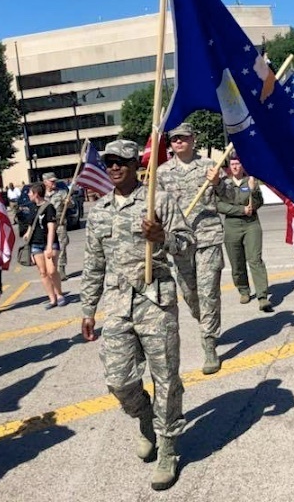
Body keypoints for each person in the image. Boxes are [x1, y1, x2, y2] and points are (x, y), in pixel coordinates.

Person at [81, 140, 194, 491]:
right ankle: (145, 417)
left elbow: (187, 243)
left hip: (155, 300)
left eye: (121, 162)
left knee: (166, 378)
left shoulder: (156, 200)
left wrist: (162, 236)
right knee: (119, 380)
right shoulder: (98, 210)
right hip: (117, 304)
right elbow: (93, 264)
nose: (114, 167)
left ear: (135, 164)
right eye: (109, 162)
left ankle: (168, 448)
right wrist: (88, 308)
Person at [156, 122, 225, 375]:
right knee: (190, 294)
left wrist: (218, 182)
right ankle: (205, 319)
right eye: (174, 139)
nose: (179, 142)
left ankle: (208, 343)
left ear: (193, 139)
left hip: (208, 236)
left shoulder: (209, 166)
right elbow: (157, 207)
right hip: (179, 241)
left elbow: (228, 195)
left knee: (208, 292)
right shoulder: (162, 173)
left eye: (183, 138)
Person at [216, 154, 272, 311]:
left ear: (242, 166)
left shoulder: (250, 181)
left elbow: (259, 202)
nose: (235, 167)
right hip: (232, 225)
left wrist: (253, 192)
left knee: (255, 259)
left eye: (238, 164)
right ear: (229, 167)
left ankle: (262, 296)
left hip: (251, 224)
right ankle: (243, 290)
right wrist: (241, 210)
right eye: (232, 164)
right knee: (236, 262)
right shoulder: (224, 184)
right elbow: (218, 205)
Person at [28, 182, 66, 309]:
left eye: (30, 192)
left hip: (49, 243)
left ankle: (59, 294)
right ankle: (52, 299)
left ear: (36, 194)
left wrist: (49, 246)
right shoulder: (31, 207)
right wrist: (28, 234)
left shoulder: (49, 207)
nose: (28, 195)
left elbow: (51, 228)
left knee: (52, 270)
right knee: (43, 272)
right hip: (35, 244)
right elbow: (30, 225)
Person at [43, 172, 71, 281]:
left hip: (59, 224)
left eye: (55, 181)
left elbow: (71, 204)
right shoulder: (42, 195)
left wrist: (68, 202)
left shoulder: (62, 193)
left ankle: (61, 269)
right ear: (45, 182)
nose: (54, 183)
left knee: (62, 246)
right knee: (48, 248)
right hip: (46, 226)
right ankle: (51, 269)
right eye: (51, 181)